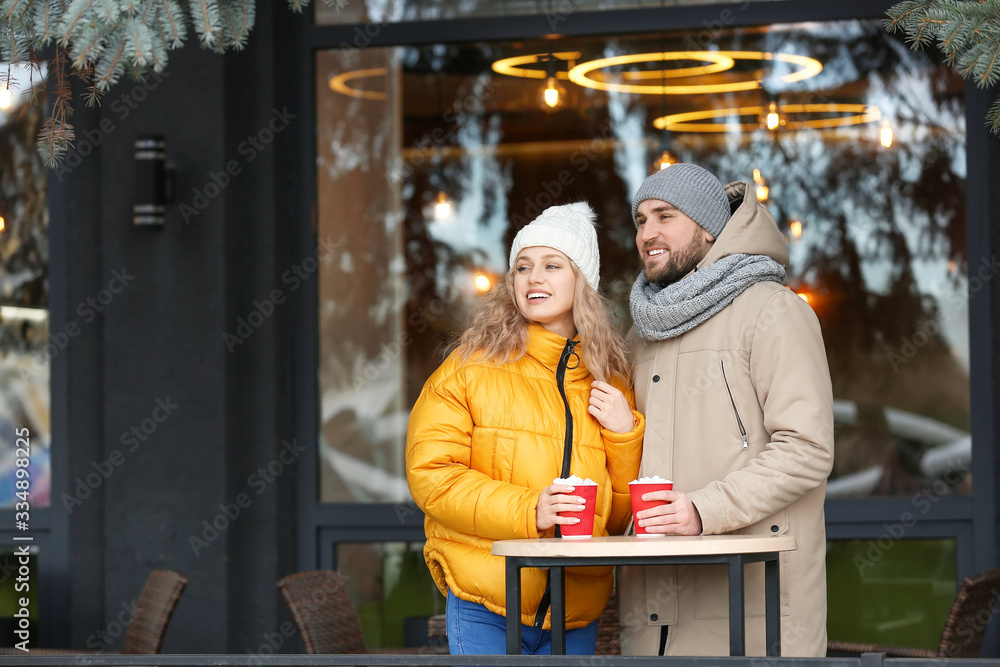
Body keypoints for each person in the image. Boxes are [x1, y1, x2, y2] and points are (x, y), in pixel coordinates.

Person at [406, 202, 644, 656]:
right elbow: (432, 476)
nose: (534, 278)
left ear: (583, 283)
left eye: (552, 265)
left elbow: (616, 519)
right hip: (487, 600)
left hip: (576, 609)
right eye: (522, 267)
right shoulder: (470, 368)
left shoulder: (610, 381)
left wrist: (623, 435)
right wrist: (530, 509)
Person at [618, 163, 834, 657]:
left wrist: (703, 509)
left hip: (753, 612)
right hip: (651, 616)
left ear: (710, 228)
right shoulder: (642, 333)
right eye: (640, 220)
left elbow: (806, 448)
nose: (647, 233)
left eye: (664, 217)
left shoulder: (773, 311)